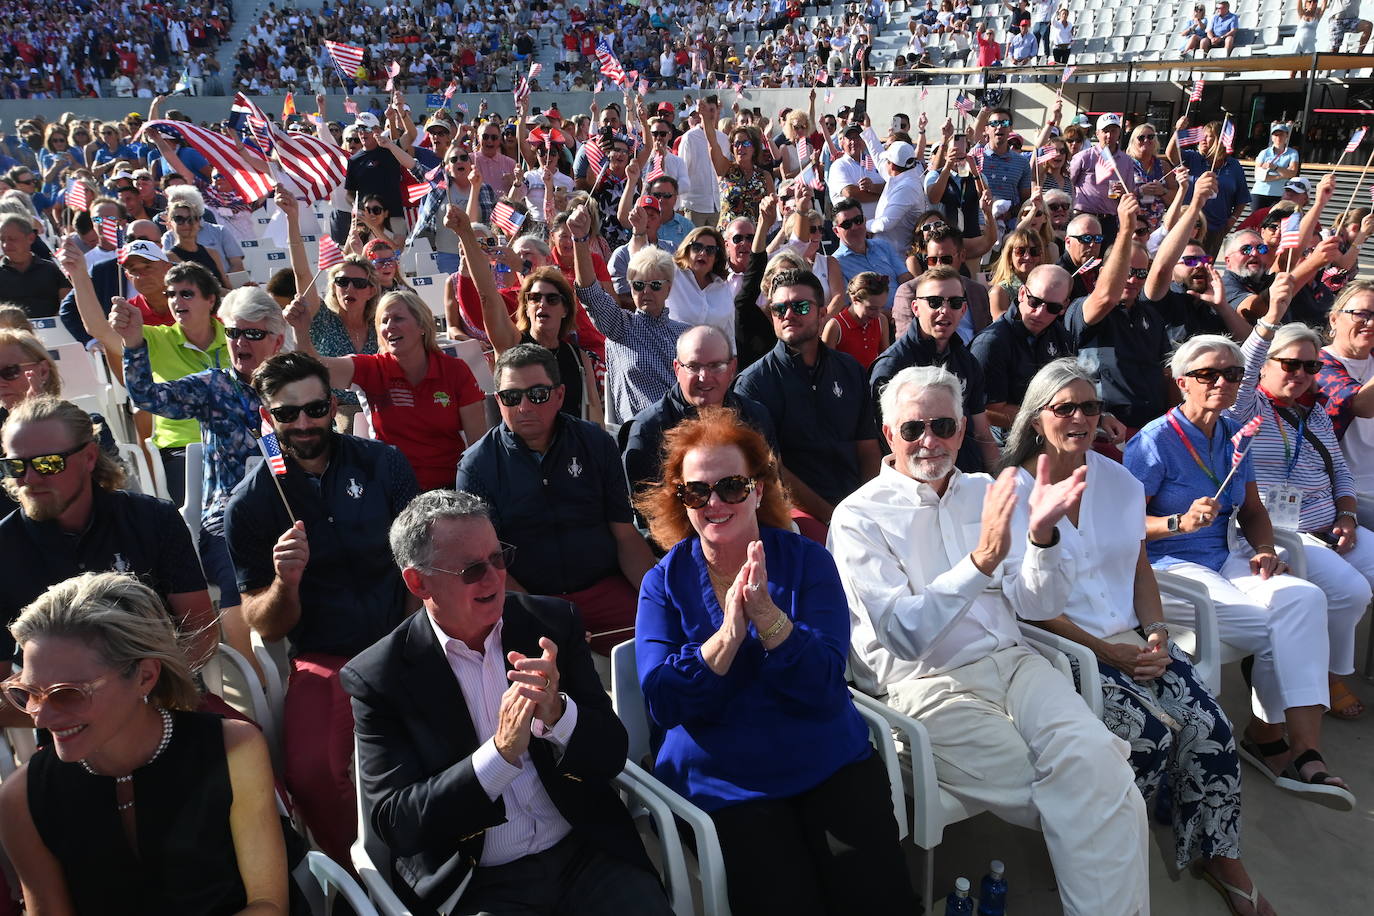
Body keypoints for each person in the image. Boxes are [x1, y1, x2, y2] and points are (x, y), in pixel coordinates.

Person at [828, 364, 1151, 916]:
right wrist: (981, 563)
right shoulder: (858, 517)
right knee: (1100, 792)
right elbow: (905, 635)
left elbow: (1037, 606)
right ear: (888, 436)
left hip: (1015, 664)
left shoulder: (987, 491)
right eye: (912, 429)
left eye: (944, 425)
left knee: (1101, 769)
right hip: (925, 689)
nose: (929, 440)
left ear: (961, 428)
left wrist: (1043, 538)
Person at [1000, 360, 1273, 914]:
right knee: (1146, 736)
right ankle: (1102, 856)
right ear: (1036, 418)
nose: (1081, 418)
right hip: (1059, 647)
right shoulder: (1008, 491)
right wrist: (1107, 652)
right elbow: (1020, 604)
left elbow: (1139, 568)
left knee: (1211, 727)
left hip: (1129, 637)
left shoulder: (1118, 481)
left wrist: (1155, 633)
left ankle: (1218, 854)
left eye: (1091, 407)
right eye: (1065, 408)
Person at [635, 409, 918, 914]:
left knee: (878, 899)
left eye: (732, 487)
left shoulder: (808, 561)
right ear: (682, 501)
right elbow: (661, 700)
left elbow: (824, 682)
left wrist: (767, 617)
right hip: (727, 778)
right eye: (698, 492)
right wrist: (725, 637)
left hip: (825, 758)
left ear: (759, 490)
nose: (715, 502)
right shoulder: (662, 583)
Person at [340, 489, 672, 916]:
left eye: (498, 559)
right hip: (481, 882)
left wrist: (559, 714)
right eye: (472, 569)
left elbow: (610, 754)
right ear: (418, 582)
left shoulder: (550, 623)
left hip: (586, 855)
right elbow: (398, 824)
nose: (494, 578)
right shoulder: (380, 677)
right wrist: (497, 756)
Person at [1122, 325, 1353, 810]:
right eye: (1207, 374)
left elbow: (1251, 509)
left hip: (1224, 554)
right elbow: (1121, 526)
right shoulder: (1155, 442)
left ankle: (1304, 747)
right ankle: (1265, 740)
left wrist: (1266, 548)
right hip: (1169, 564)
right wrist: (1177, 520)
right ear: (1182, 380)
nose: (1221, 383)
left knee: (1304, 598)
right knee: (1271, 626)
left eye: (1231, 373)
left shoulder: (1233, 433)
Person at [226, 350, 418, 865]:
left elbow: (417, 565)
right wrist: (286, 583)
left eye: (315, 409)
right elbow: (262, 620)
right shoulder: (252, 502)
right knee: (311, 773)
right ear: (267, 417)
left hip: (403, 633)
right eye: (287, 414)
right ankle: (360, 876)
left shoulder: (383, 464)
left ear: (333, 405)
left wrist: (410, 639)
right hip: (325, 654)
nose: (304, 423)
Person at [0, 572, 287, 915]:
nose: (41, 718)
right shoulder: (20, 799)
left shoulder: (233, 747)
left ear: (145, 676)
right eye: (28, 694)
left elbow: (268, 904)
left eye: (67, 694)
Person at [114, 287, 288, 674]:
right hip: (227, 516)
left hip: (289, 509)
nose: (240, 342)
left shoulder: (293, 387)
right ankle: (253, 684)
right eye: (233, 333)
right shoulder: (215, 386)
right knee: (235, 571)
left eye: (253, 334)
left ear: (277, 340)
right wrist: (133, 342)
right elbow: (146, 396)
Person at [457, 345, 656, 653]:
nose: (524, 406)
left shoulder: (596, 443)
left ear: (560, 395)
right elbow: (488, 568)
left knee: (658, 639)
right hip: (528, 597)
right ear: (498, 401)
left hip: (602, 586)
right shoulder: (477, 466)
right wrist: (535, 614)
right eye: (512, 397)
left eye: (537, 394)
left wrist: (658, 599)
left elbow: (625, 535)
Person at [1229, 315, 1373, 721]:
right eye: (1289, 364)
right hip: (1285, 532)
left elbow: (1340, 473)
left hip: (1332, 524)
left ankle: (1326, 665)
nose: (1301, 374)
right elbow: (1243, 369)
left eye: (1311, 366)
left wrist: (1347, 514)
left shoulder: (1316, 413)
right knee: (1350, 591)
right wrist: (1270, 319)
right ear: (1267, 365)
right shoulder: (1246, 407)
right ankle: (1328, 674)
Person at [64, 246, 226, 508]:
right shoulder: (157, 338)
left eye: (186, 294)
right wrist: (79, 275)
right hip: (186, 450)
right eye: (171, 294)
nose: (177, 302)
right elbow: (100, 330)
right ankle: (160, 504)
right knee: (209, 520)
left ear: (210, 300)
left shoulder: (238, 337)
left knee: (283, 494)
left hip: (248, 443)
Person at [287, 290, 488, 490]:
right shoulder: (372, 368)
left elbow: (477, 446)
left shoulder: (455, 370)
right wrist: (300, 330)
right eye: (384, 321)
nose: (389, 327)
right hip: (391, 489)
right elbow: (313, 370)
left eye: (398, 318)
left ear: (422, 326)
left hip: (449, 487)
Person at [735, 268, 880, 537]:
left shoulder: (850, 369)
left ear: (822, 313)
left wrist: (868, 505)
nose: (789, 315)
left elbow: (868, 446)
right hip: (798, 513)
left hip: (857, 501)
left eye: (800, 306)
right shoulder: (754, 383)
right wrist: (833, 517)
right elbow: (772, 470)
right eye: (779, 309)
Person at [621, 324, 777, 498]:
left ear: (732, 368)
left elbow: (771, 490)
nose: (704, 376)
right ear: (677, 369)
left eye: (715, 365)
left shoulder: (755, 417)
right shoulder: (647, 431)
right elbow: (650, 514)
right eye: (693, 366)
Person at [872, 265, 1001, 472]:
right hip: (917, 480)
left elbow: (982, 433)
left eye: (955, 303)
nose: (944, 310)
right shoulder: (892, 365)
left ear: (964, 310)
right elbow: (884, 443)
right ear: (915, 308)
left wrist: (999, 478)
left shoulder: (967, 361)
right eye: (934, 302)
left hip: (965, 475)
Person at [1065, 194, 1172, 438]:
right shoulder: (1082, 308)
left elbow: (1166, 374)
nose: (1133, 279)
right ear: (1104, 271)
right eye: (1125, 271)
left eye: (1139, 273)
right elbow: (1106, 297)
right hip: (1106, 430)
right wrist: (1125, 230)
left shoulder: (1151, 316)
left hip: (1154, 428)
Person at [571, 207, 689, 426]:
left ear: (669, 288)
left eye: (655, 285)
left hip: (681, 433)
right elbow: (590, 292)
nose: (646, 292)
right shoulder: (621, 326)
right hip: (638, 435)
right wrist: (580, 239)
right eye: (638, 285)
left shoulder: (685, 334)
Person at [1142, 172, 1252, 347]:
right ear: (1172, 268)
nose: (1201, 264)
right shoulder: (1162, 297)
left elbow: (1249, 343)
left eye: (1205, 259)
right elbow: (1161, 267)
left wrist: (1222, 306)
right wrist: (1196, 202)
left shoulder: (1212, 304)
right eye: (1190, 261)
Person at [972, 264, 1077, 432]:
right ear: (1022, 293)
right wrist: (1044, 419)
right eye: (1034, 302)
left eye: (1053, 308)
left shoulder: (1060, 335)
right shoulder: (991, 343)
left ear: (1064, 306)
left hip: (1050, 432)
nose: (1040, 313)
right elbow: (988, 411)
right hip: (1006, 443)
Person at [1316, 280, 1374, 520]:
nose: (1370, 323)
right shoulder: (1316, 364)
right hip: (1346, 495)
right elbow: (1362, 405)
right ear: (1334, 319)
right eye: (1361, 314)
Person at [831, 197, 912, 315]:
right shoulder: (835, 263)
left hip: (906, 311)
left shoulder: (883, 245)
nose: (854, 227)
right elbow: (852, 307)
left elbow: (905, 278)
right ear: (836, 231)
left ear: (864, 220)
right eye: (847, 224)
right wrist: (893, 315)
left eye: (858, 220)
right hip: (873, 322)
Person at [1069, 114, 1136, 247]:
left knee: (1106, 260)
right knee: (1081, 259)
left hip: (1109, 220)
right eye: (1105, 131)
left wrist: (1123, 192)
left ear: (1119, 133)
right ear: (1097, 133)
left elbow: (1130, 192)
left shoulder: (1126, 161)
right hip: (1084, 217)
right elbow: (1068, 184)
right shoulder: (1083, 157)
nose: (1109, 135)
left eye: (1113, 130)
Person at [662, 227, 736, 345]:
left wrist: (732, 358)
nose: (703, 253)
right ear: (687, 250)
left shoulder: (723, 287)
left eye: (710, 250)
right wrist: (639, 232)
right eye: (697, 247)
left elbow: (729, 334)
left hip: (712, 359)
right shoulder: (672, 274)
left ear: (716, 257)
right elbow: (643, 267)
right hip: (672, 355)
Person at [702, 115, 773, 227]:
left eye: (745, 143)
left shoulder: (764, 176)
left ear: (754, 148)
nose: (740, 148)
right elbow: (712, 143)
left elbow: (772, 213)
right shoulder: (725, 169)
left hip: (754, 237)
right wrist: (705, 116)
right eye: (737, 144)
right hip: (727, 237)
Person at [0, 213, 69, 318]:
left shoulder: (51, 270)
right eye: (2, 240)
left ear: (31, 238)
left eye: (12, 239)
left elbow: (67, 305)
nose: (6, 245)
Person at [821, 272, 890, 370]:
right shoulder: (835, 326)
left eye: (881, 307)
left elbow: (885, 359)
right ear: (855, 300)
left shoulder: (881, 321)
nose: (877, 313)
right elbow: (826, 367)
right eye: (872, 308)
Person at [826, 122, 885, 220]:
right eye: (850, 138)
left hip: (879, 226)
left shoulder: (873, 162)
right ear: (843, 142)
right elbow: (851, 194)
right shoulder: (838, 165)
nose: (854, 141)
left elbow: (890, 185)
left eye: (857, 137)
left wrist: (873, 187)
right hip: (853, 228)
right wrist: (883, 194)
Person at [987, 227, 1045, 321]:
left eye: (1034, 251)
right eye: (1020, 251)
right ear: (1009, 256)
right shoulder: (1000, 291)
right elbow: (1002, 329)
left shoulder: (1044, 286)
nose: (1027, 256)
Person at [1251, 123, 1302, 210]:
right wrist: (1282, 175)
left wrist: (1275, 167)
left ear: (1286, 136)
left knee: (1275, 222)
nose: (1278, 138)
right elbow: (1259, 175)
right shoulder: (1264, 153)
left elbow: (1292, 173)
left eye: (1281, 135)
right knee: (1256, 221)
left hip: (1279, 194)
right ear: (1272, 137)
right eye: (1276, 135)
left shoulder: (1293, 153)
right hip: (1259, 193)